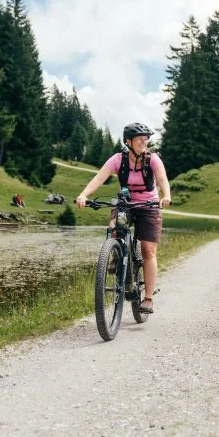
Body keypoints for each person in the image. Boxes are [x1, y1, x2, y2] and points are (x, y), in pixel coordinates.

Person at [76, 122, 172, 314]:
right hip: (125, 203)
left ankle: (148, 298)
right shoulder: (118, 159)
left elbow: (162, 180)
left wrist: (166, 196)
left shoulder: (152, 159)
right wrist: (84, 195)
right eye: (139, 139)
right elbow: (99, 178)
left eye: (146, 139)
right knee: (114, 226)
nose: (144, 142)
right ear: (128, 141)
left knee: (148, 250)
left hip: (149, 205)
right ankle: (114, 255)